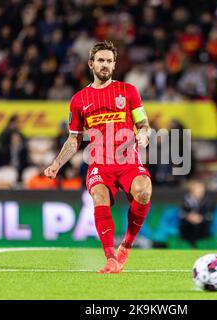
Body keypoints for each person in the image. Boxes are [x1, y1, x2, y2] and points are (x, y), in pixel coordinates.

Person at [44, 41, 152, 274]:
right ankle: (110, 258)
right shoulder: (79, 100)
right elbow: (74, 139)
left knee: (143, 191)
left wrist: (143, 135)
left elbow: (144, 124)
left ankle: (126, 246)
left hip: (128, 162)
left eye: (109, 61)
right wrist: (56, 164)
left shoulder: (129, 91)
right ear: (91, 64)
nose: (105, 65)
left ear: (114, 65)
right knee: (99, 196)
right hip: (100, 164)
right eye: (101, 60)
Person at [179, 180, 213, 248]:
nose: (199, 192)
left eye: (201, 190)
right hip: (188, 226)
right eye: (197, 189)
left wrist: (201, 218)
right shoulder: (186, 201)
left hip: (202, 226)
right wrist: (189, 217)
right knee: (187, 226)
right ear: (192, 190)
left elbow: (209, 215)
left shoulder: (208, 202)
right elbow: (182, 214)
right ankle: (191, 246)